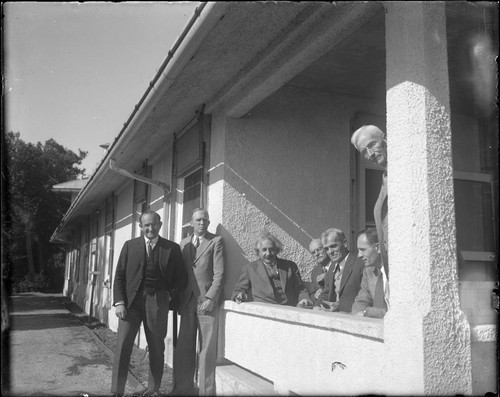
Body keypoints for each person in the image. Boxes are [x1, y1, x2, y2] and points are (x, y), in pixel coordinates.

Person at [111, 211, 187, 397]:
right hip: (130, 303)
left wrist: (169, 298)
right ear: (140, 226)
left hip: (157, 302)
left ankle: (153, 389)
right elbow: (119, 276)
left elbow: (181, 279)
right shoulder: (130, 246)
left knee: (156, 347)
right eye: (146, 225)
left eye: (153, 224)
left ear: (160, 225)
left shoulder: (172, 248)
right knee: (123, 347)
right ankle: (116, 391)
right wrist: (119, 302)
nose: (150, 228)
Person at [173, 208, 225, 396]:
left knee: (206, 351)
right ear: (191, 223)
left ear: (209, 223)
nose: (202, 223)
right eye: (198, 220)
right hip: (187, 302)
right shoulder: (184, 243)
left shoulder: (216, 241)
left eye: (205, 220)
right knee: (185, 347)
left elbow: (219, 273)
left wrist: (211, 298)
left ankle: (206, 391)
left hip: (206, 303)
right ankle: (183, 389)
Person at [231, 231, 313, 307]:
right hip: (264, 311)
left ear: (277, 250)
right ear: (258, 252)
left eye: (271, 249)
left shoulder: (290, 266)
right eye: (264, 250)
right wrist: (239, 295)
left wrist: (304, 299)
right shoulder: (250, 269)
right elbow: (239, 289)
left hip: (289, 310)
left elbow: (300, 289)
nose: (268, 253)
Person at [351, 125, 389, 277]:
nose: (370, 154)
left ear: (385, 139)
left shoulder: (406, 171)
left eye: (372, 145)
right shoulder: (385, 178)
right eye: (364, 152)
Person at [313, 228, 364, 313]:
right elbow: (326, 292)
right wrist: (317, 307)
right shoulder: (333, 265)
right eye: (326, 249)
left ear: (344, 243)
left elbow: (363, 298)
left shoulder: (360, 264)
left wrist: (339, 306)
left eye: (333, 246)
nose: (330, 252)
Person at [351, 228, 389, 318]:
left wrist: (368, 312)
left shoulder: (397, 272)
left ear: (378, 248)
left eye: (363, 250)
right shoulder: (369, 272)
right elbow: (360, 302)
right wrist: (361, 312)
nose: (359, 255)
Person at [307, 238, 331, 303]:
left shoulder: (337, 265)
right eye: (313, 252)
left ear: (326, 248)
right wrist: (316, 295)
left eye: (319, 249)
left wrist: (327, 276)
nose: (316, 254)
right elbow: (312, 295)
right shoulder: (315, 272)